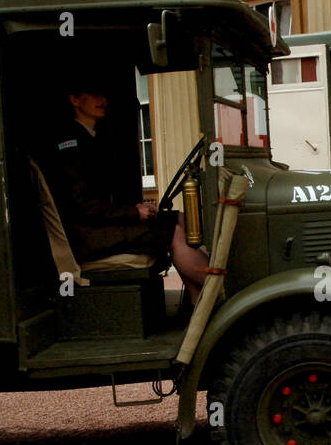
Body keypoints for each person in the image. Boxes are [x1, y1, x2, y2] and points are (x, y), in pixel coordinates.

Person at [46, 82, 209, 304]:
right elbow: (84, 206)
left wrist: (136, 210)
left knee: (178, 217)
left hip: (100, 227)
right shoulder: (71, 145)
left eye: (102, 94)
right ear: (75, 100)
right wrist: (133, 213)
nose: (101, 100)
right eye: (93, 93)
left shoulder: (92, 138)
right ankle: (216, 285)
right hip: (88, 236)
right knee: (173, 231)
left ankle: (197, 301)